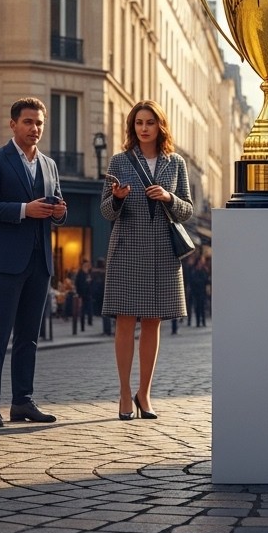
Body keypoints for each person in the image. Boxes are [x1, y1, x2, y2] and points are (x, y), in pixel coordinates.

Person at [0, 97, 66, 428]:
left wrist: (59, 212)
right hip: (5, 262)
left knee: (29, 336)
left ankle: (22, 402)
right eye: (28, 122)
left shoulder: (50, 165)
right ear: (13, 124)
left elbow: (56, 208)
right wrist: (25, 209)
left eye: (39, 123)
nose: (35, 128)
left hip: (40, 262)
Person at [101, 100, 193, 421]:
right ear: (132, 127)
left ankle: (145, 393)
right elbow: (106, 212)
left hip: (162, 253)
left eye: (149, 122)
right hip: (128, 249)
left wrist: (169, 197)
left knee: (153, 324)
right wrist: (117, 197)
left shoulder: (175, 163)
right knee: (125, 323)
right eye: (138, 122)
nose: (143, 128)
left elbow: (187, 210)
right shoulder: (119, 161)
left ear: (159, 126)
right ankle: (125, 394)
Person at [74, 258, 94, 328]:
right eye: (85, 265)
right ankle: (82, 325)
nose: (86, 266)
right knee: (82, 310)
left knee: (90, 309)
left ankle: (90, 321)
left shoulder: (89, 273)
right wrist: (79, 294)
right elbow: (77, 283)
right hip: (82, 295)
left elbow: (92, 283)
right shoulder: (80, 273)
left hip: (88, 294)